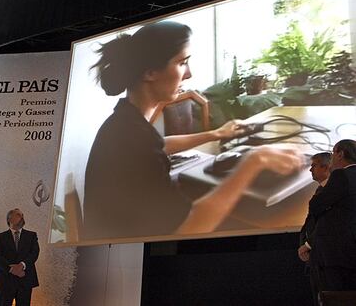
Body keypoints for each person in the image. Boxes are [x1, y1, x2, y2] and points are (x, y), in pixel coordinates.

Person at [83, 21, 305, 239]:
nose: (188, 73)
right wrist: (255, 162)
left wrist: (216, 134)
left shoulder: (125, 124)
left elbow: (160, 146)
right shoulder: (133, 137)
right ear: (150, 72)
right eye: (182, 62)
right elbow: (188, 228)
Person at [308, 139, 356, 292]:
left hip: (339, 252)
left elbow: (316, 206)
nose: (332, 159)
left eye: (333, 153)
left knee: (338, 296)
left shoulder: (341, 175)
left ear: (340, 154)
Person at [297, 152, 331, 306]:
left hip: (327, 259)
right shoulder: (321, 191)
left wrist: (308, 244)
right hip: (317, 259)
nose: (310, 170)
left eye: (314, 165)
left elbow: (325, 224)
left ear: (326, 167)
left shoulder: (332, 192)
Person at [0, 209, 39, 306]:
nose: (22, 217)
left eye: (22, 215)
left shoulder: (32, 236)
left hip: (25, 280)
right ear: (9, 218)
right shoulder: (0, 237)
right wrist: (11, 269)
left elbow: (34, 253)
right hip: (5, 281)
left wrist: (22, 265)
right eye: (18, 215)